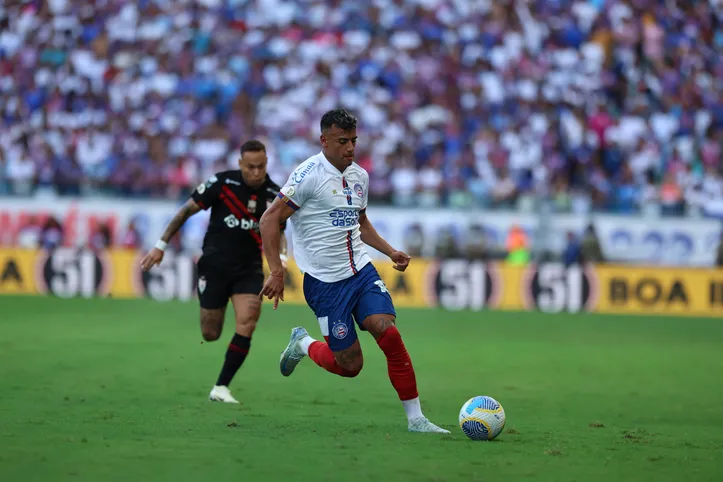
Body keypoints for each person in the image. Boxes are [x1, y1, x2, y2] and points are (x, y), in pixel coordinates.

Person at [259, 109, 449, 434]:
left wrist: (390, 251)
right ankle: (303, 344)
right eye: (343, 141)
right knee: (351, 366)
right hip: (325, 285)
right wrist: (276, 270)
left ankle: (416, 419)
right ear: (324, 141)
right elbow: (269, 220)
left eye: (354, 141)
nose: (350, 148)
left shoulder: (360, 176)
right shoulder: (308, 176)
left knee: (388, 333)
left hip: (360, 272)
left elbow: (360, 222)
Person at [141, 140, 287, 404]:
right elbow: (186, 210)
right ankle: (210, 308)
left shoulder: (274, 195)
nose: (256, 172)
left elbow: (280, 232)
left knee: (248, 321)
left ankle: (221, 387)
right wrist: (160, 246)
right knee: (211, 334)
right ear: (240, 164)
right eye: (251, 167)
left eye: (261, 166)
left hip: (249, 269)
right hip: (215, 266)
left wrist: (282, 263)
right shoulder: (222, 183)